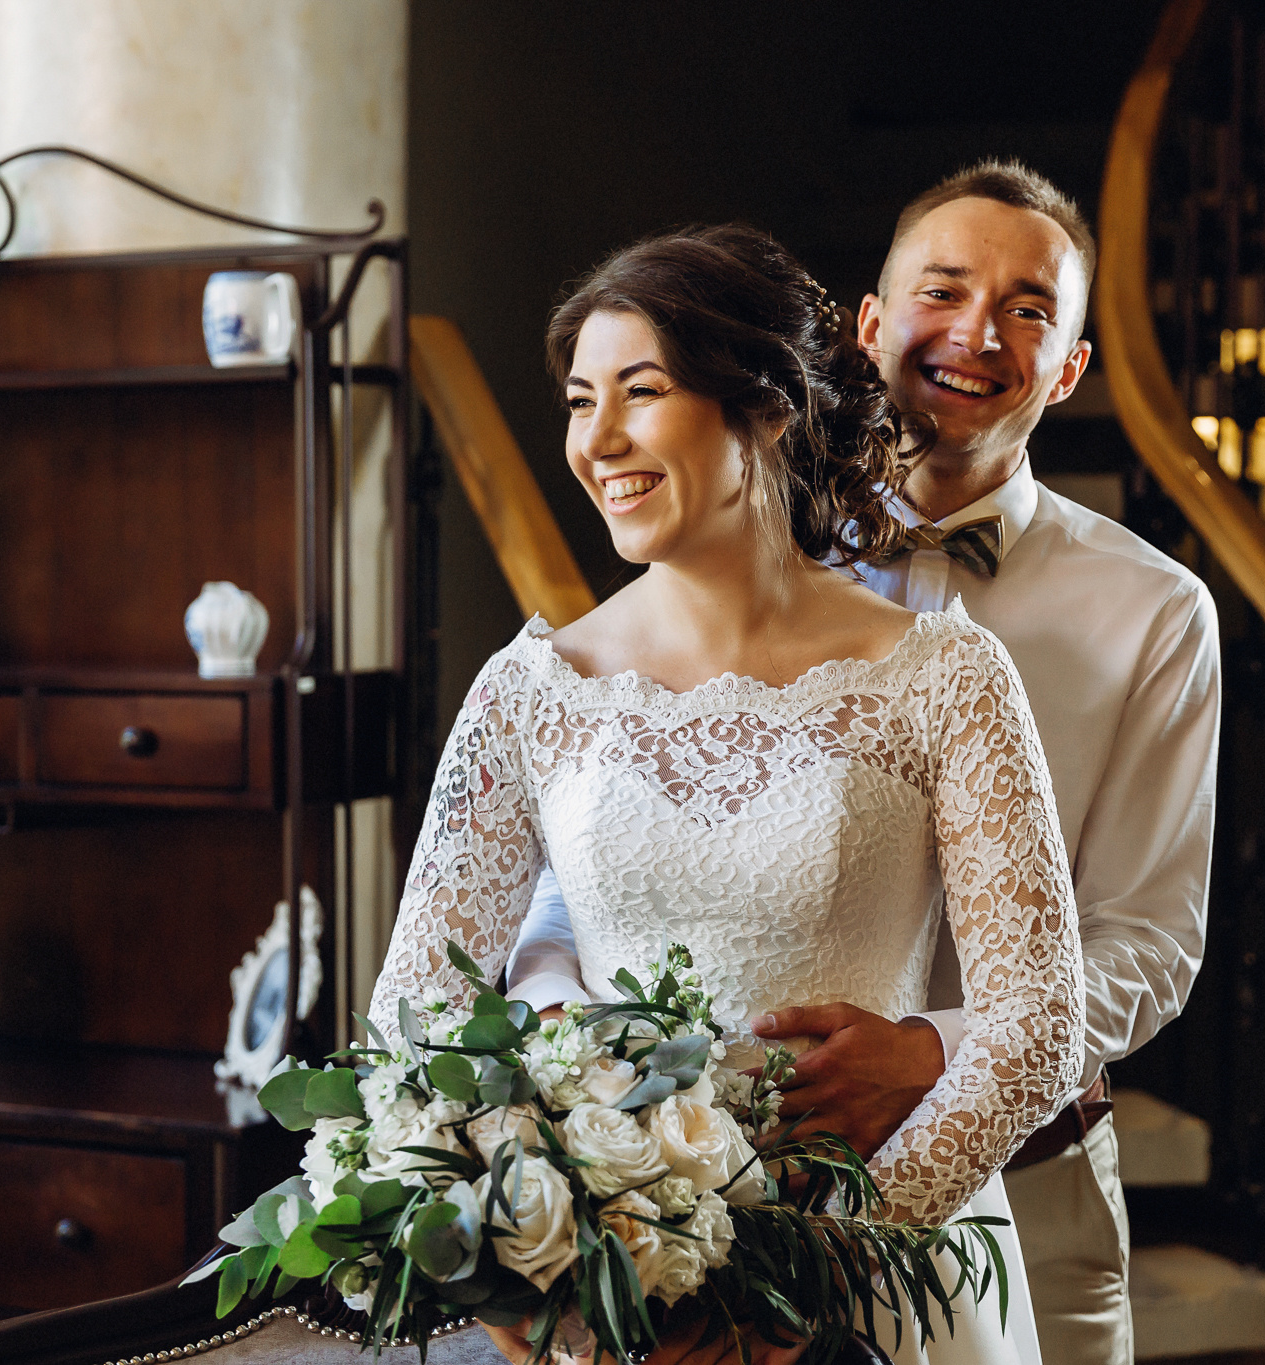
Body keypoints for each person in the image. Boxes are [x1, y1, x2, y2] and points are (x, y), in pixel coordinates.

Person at [507, 162, 1221, 1365]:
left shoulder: (1154, 612)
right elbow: (578, 875)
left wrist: (941, 1051)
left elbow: (1150, 935)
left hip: (1024, 1189)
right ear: (869, 325)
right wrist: (602, 1109)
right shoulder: (710, 549)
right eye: (941, 291)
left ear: (1070, 369)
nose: (976, 333)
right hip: (689, 1200)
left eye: (1029, 309)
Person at [370, 222, 1086, 1365]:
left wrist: (803, 1274)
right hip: (616, 1318)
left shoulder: (945, 678)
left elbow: (1038, 1028)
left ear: (764, 408)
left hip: (879, 1291)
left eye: (638, 393)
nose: (596, 439)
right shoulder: (528, 691)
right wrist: (543, 1273)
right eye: (575, 400)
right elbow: (415, 1019)